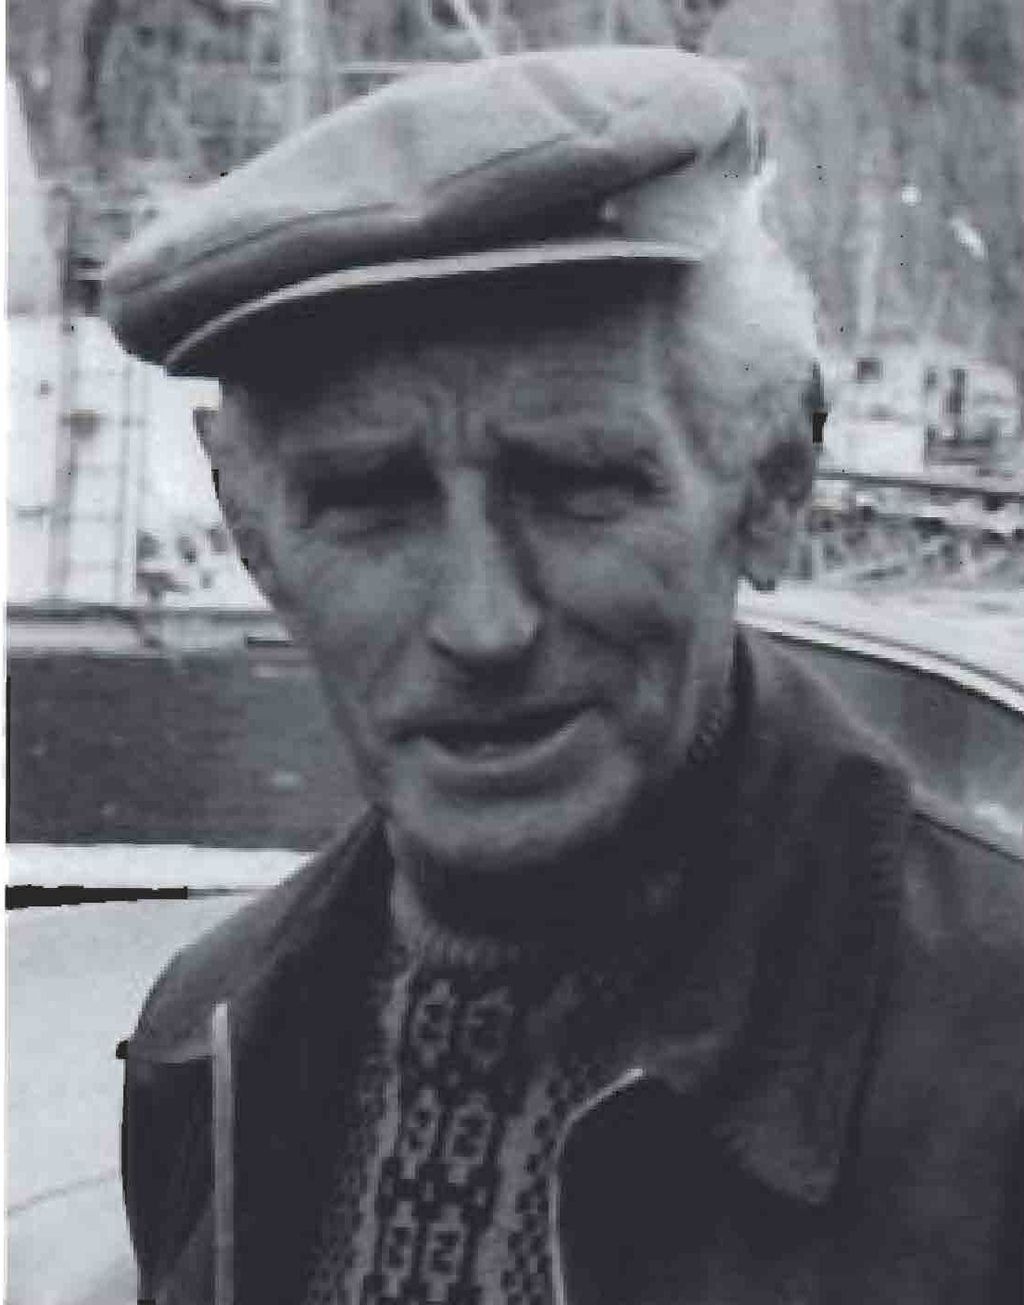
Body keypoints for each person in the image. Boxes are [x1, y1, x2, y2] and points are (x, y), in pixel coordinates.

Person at [103, 46, 1024, 1305]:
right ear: (254, 536)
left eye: (577, 482)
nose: (482, 624)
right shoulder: (206, 1044)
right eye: (371, 500)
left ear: (769, 488)